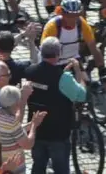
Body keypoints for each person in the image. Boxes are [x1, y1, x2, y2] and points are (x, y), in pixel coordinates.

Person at [24, 37, 87, 174]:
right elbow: (81, 95)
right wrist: (78, 71)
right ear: (59, 54)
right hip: (58, 133)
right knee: (61, 169)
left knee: (38, 166)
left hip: (37, 130)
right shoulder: (63, 77)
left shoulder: (30, 71)